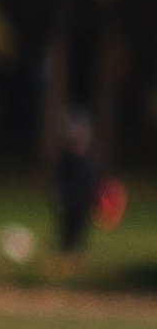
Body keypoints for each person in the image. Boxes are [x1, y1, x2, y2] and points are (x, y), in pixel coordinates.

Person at [53, 103, 100, 260]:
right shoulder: (66, 159)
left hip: (84, 200)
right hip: (69, 199)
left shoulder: (89, 160)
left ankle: (77, 252)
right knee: (67, 227)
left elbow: (94, 179)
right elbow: (59, 179)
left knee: (81, 226)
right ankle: (65, 251)